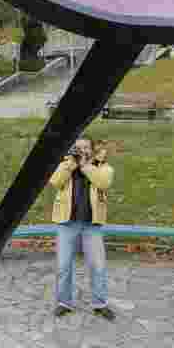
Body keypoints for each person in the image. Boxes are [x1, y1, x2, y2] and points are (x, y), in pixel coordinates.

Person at [49, 137, 115, 320]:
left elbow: (104, 183)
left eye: (86, 147)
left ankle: (100, 304)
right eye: (78, 148)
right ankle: (64, 302)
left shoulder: (103, 167)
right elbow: (55, 182)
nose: (82, 150)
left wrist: (86, 166)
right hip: (66, 223)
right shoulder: (66, 165)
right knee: (63, 266)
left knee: (98, 266)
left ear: (92, 150)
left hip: (91, 225)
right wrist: (71, 164)